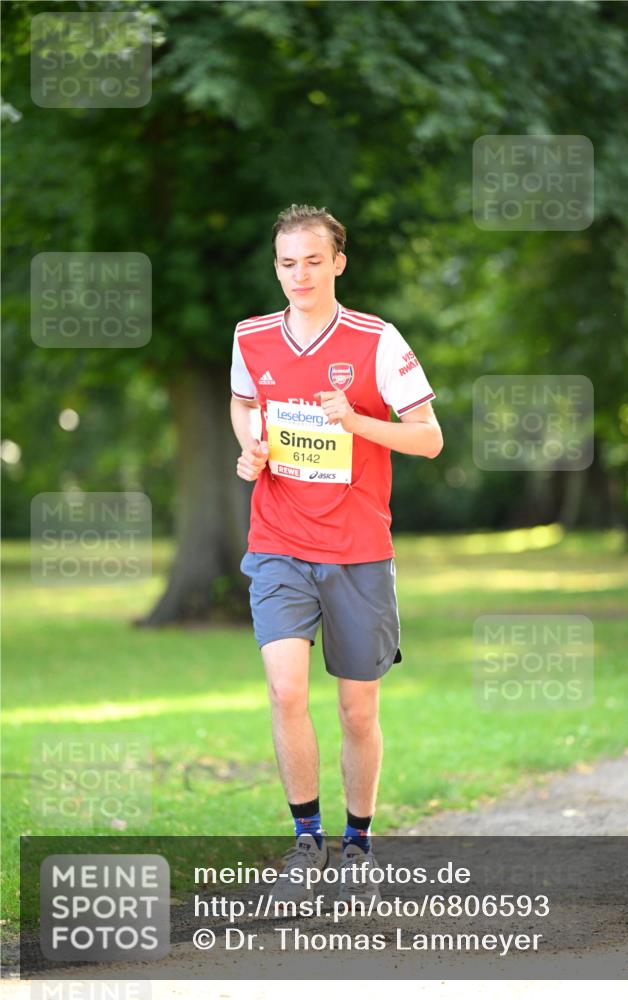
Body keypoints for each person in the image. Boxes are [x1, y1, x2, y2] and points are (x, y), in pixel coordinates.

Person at [230, 204, 443, 905]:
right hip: (278, 542)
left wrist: (353, 420)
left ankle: (357, 843)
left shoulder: (376, 340)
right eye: (287, 262)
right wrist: (250, 446)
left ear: (337, 263)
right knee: (286, 690)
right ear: (276, 267)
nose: (299, 274)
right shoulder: (252, 337)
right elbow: (242, 405)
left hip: (357, 550)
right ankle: (304, 841)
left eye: (312, 260)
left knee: (356, 712)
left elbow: (428, 437)